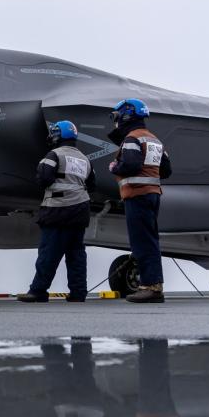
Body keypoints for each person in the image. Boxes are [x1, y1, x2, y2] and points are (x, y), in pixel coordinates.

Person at [19, 121, 96, 303]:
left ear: (57, 135)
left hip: (58, 209)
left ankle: (38, 290)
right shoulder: (85, 159)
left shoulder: (54, 155)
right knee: (76, 253)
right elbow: (92, 185)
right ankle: (78, 293)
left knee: (49, 252)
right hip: (80, 210)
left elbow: (43, 178)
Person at [108, 98, 172, 303]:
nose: (116, 122)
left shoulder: (131, 139)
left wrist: (114, 168)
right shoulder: (154, 140)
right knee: (150, 241)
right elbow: (166, 170)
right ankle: (153, 285)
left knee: (142, 242)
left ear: (126, 116)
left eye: (117, 117)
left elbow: (130, 165)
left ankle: (150, 287)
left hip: (137, 195)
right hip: (153, 195)